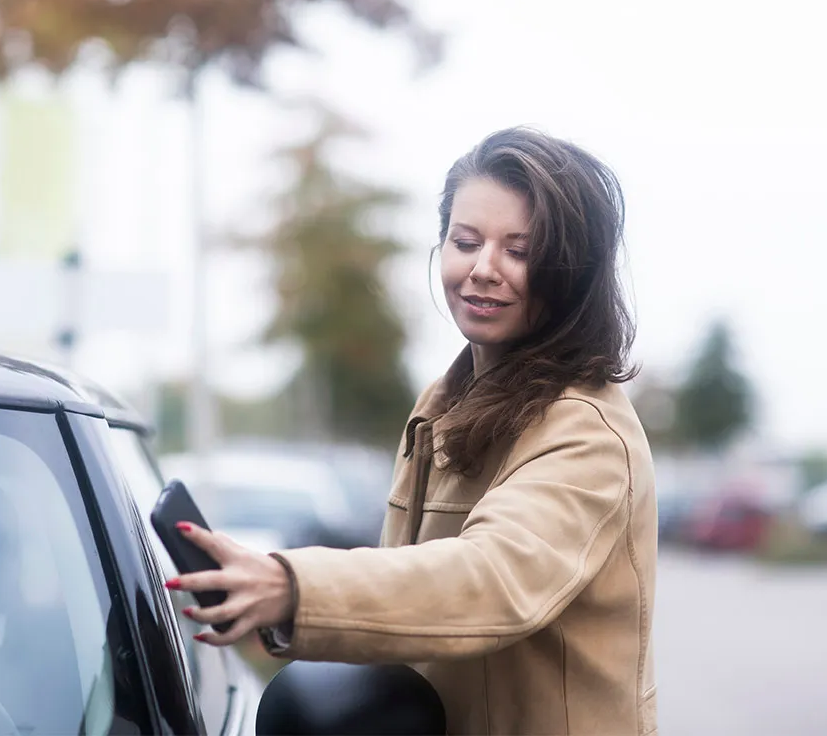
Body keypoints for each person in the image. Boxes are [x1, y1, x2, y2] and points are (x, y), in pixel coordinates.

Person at [170, 127, 658, 736]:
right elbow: (406, 604)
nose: (483, 269)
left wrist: (294, 588)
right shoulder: (443, 403)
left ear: (572, 274)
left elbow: (489, 578)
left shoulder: (587, 432)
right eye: (466, 241)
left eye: (519, 250)